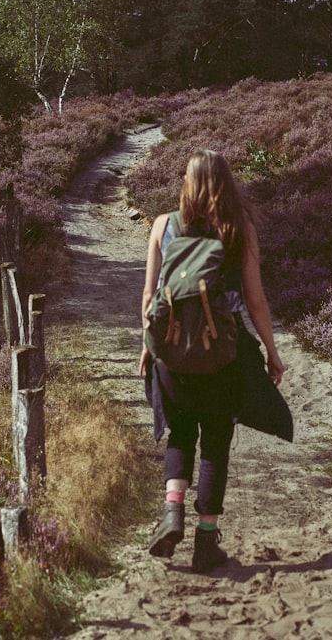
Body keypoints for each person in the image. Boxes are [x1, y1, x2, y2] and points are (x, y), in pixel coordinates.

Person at [139, 149, 285, 573]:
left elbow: (149, 298)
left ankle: (171, 514)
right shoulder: (240, 229)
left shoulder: (163, 225)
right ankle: (206, 543)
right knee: (216, 441)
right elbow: (255, 302)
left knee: (180, 431)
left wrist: (148, 346)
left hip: (172, 351)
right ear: (226, 183)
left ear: (187, 182)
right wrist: (272, 354)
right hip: (223, 353)